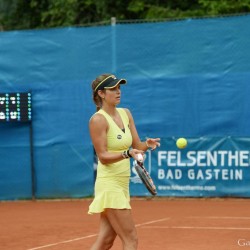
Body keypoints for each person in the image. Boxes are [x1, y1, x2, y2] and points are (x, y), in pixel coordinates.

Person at [88, 73, 160, 250]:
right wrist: (127, 153)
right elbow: (103, 157)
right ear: (102, 94)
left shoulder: (126, 113)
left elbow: (137, 146)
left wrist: (146, 145)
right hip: (109, 185)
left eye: (119, 88)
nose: (118, 91)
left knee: (105, 241)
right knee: (131, 239)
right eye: (113, 89)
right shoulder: (97, 120)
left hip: (122, 184)